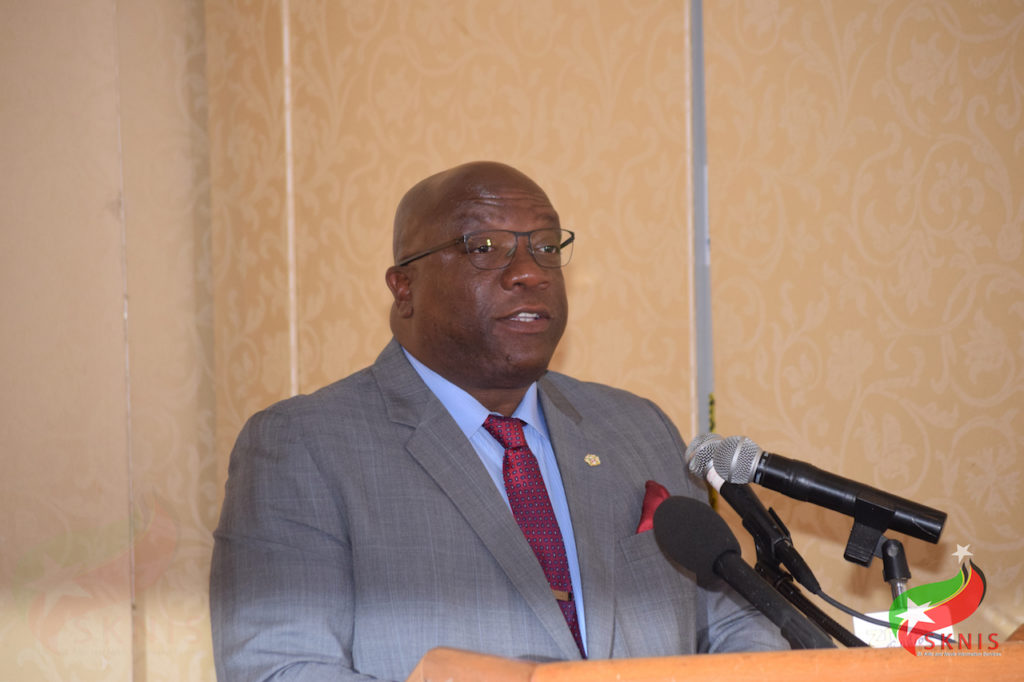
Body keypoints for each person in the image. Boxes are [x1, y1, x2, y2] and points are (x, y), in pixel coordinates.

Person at [210, 161, 789, 681]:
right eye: (485, 247)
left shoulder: (636, 427)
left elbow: (737, 623)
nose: (530, 273)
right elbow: (277, 667)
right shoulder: (304, 446)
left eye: (545, 246)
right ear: (404, 288)